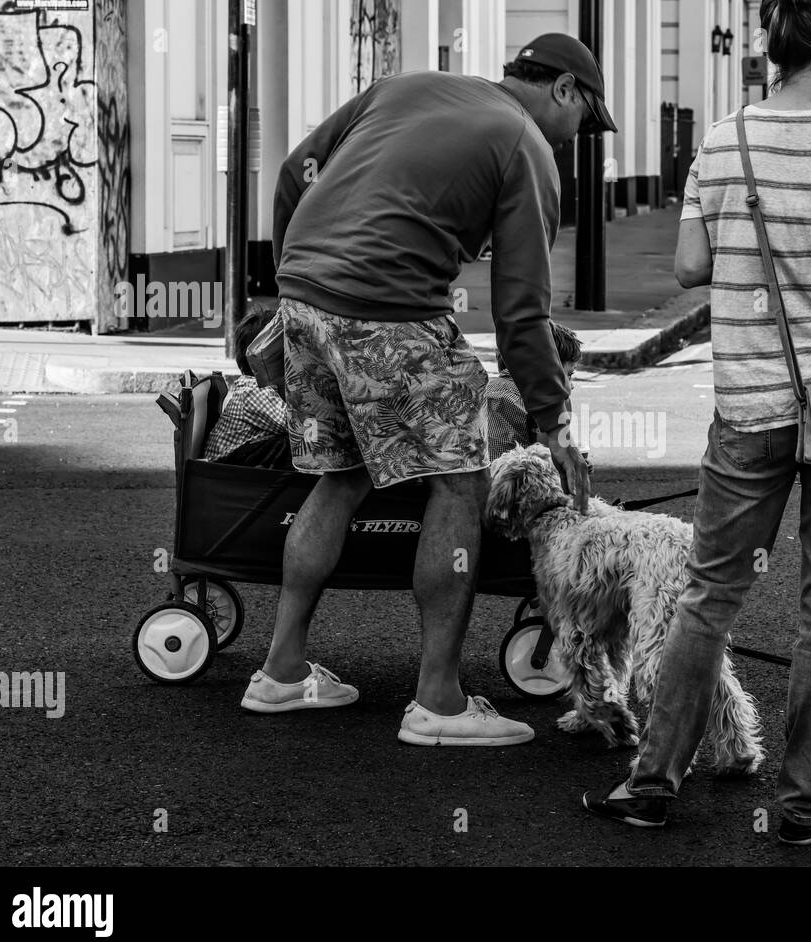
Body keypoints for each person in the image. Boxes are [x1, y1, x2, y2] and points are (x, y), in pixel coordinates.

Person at [582, 0, 811, 843]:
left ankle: (651, 783)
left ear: (770, 50)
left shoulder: (720, 139)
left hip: (750, 404)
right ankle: (802, 808)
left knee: (709, 597)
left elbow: (688, 266)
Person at [241, 34, 609, 734]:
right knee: (460, 481)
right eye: (585, 120)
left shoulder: (407, 87)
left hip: (305, 297)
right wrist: (554, 425)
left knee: (343, 474)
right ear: (564, 89)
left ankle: (281, 672)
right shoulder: (525, 144)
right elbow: (523, 311)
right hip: (387, 308)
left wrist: (299, 272)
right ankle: (439, 702)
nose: (577, 139)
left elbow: (295, 170)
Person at [203, 303, 292, 469]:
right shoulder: (254, 390)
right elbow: (293, 424)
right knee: (293, 443)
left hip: (235, 459)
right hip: (227, 465)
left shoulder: (256, 386)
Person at [487, 321, 582, 459]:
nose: (571, 385)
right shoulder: (545, 403)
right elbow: (551, 458)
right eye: (569, 374)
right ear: (549, 370)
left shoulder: (484, 390)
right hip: (518, 477)